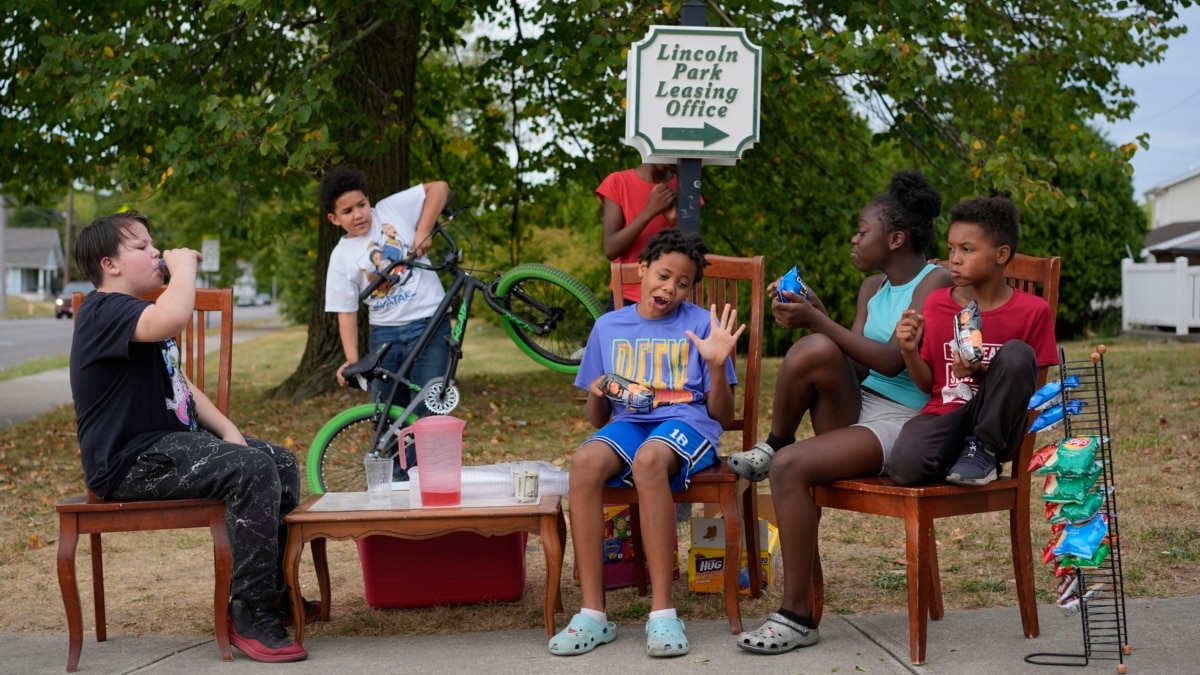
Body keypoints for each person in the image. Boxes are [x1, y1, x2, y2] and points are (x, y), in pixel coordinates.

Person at [69, 212, 312, 663]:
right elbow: (175, 317)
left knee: (276, 460)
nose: (156, 251)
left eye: (153, 243)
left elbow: (179, 382)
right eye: (141, 246)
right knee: (252, 468)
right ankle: (248, 612)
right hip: (129, 464)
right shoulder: (103, 312)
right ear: (111, 264)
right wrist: (184, 270)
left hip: (169, 449)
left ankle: (273, 594)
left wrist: (228, 430)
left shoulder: (137, 315)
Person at [729, 171, 953, 654]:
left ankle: (797, 616)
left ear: (896, 238)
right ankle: (777, 441)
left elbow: (894, 358)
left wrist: (819, 318)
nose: (853, 239)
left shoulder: (935, 281)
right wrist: (817, 312)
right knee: (813, 347)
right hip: (862, 404)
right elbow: (852, 360)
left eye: (861, 230)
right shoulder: (873, 286)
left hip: (905, 421)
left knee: (790, 470)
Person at [551, 229, 744, 658]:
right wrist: (597, 391)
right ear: (641, 269)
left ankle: (662, 614)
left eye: (682, 283)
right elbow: (598, 419)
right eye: (662, 275)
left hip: (687, 421)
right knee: (584, 462)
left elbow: (724, 416)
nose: (670, 288)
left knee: (650, 459)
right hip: (630, 422)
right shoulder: (608, 326)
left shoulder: (699, 324)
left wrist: (716, 366)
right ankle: (592, 615)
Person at [886, 195, 1058, 486]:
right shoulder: (936, 304)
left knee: (1017, 353)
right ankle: (961, 458)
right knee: (903, 467)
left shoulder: (1032, 311)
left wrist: (979, 371)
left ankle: (982, 451)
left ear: (1001, 254)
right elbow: (930, 385)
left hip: (999, 427)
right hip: (947, 414)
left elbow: (1030, 389)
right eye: (952, 248)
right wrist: (909, 351)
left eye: (967, 249)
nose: (954, 258)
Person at [320, 166, 452, 472]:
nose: (358, 215)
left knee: (429, 409)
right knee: (387, 417)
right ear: (334, 218)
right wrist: (354, 361)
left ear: (370, 200)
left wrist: (422, 231)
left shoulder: (392, 209)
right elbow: (346, 311)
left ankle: (433, 481)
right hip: (385, 337)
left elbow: (439, 188)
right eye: (347, 211)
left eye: (362, 205)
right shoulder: (340, 257)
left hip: (429, 324)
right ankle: (396, 487)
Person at [597, 162, 680, 309]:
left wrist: (674, 222)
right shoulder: (618, 182)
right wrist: (650, 210)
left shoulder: (685, 185)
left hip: (672, 296)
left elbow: (692, 249)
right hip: (626, 298)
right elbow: (610, 249)